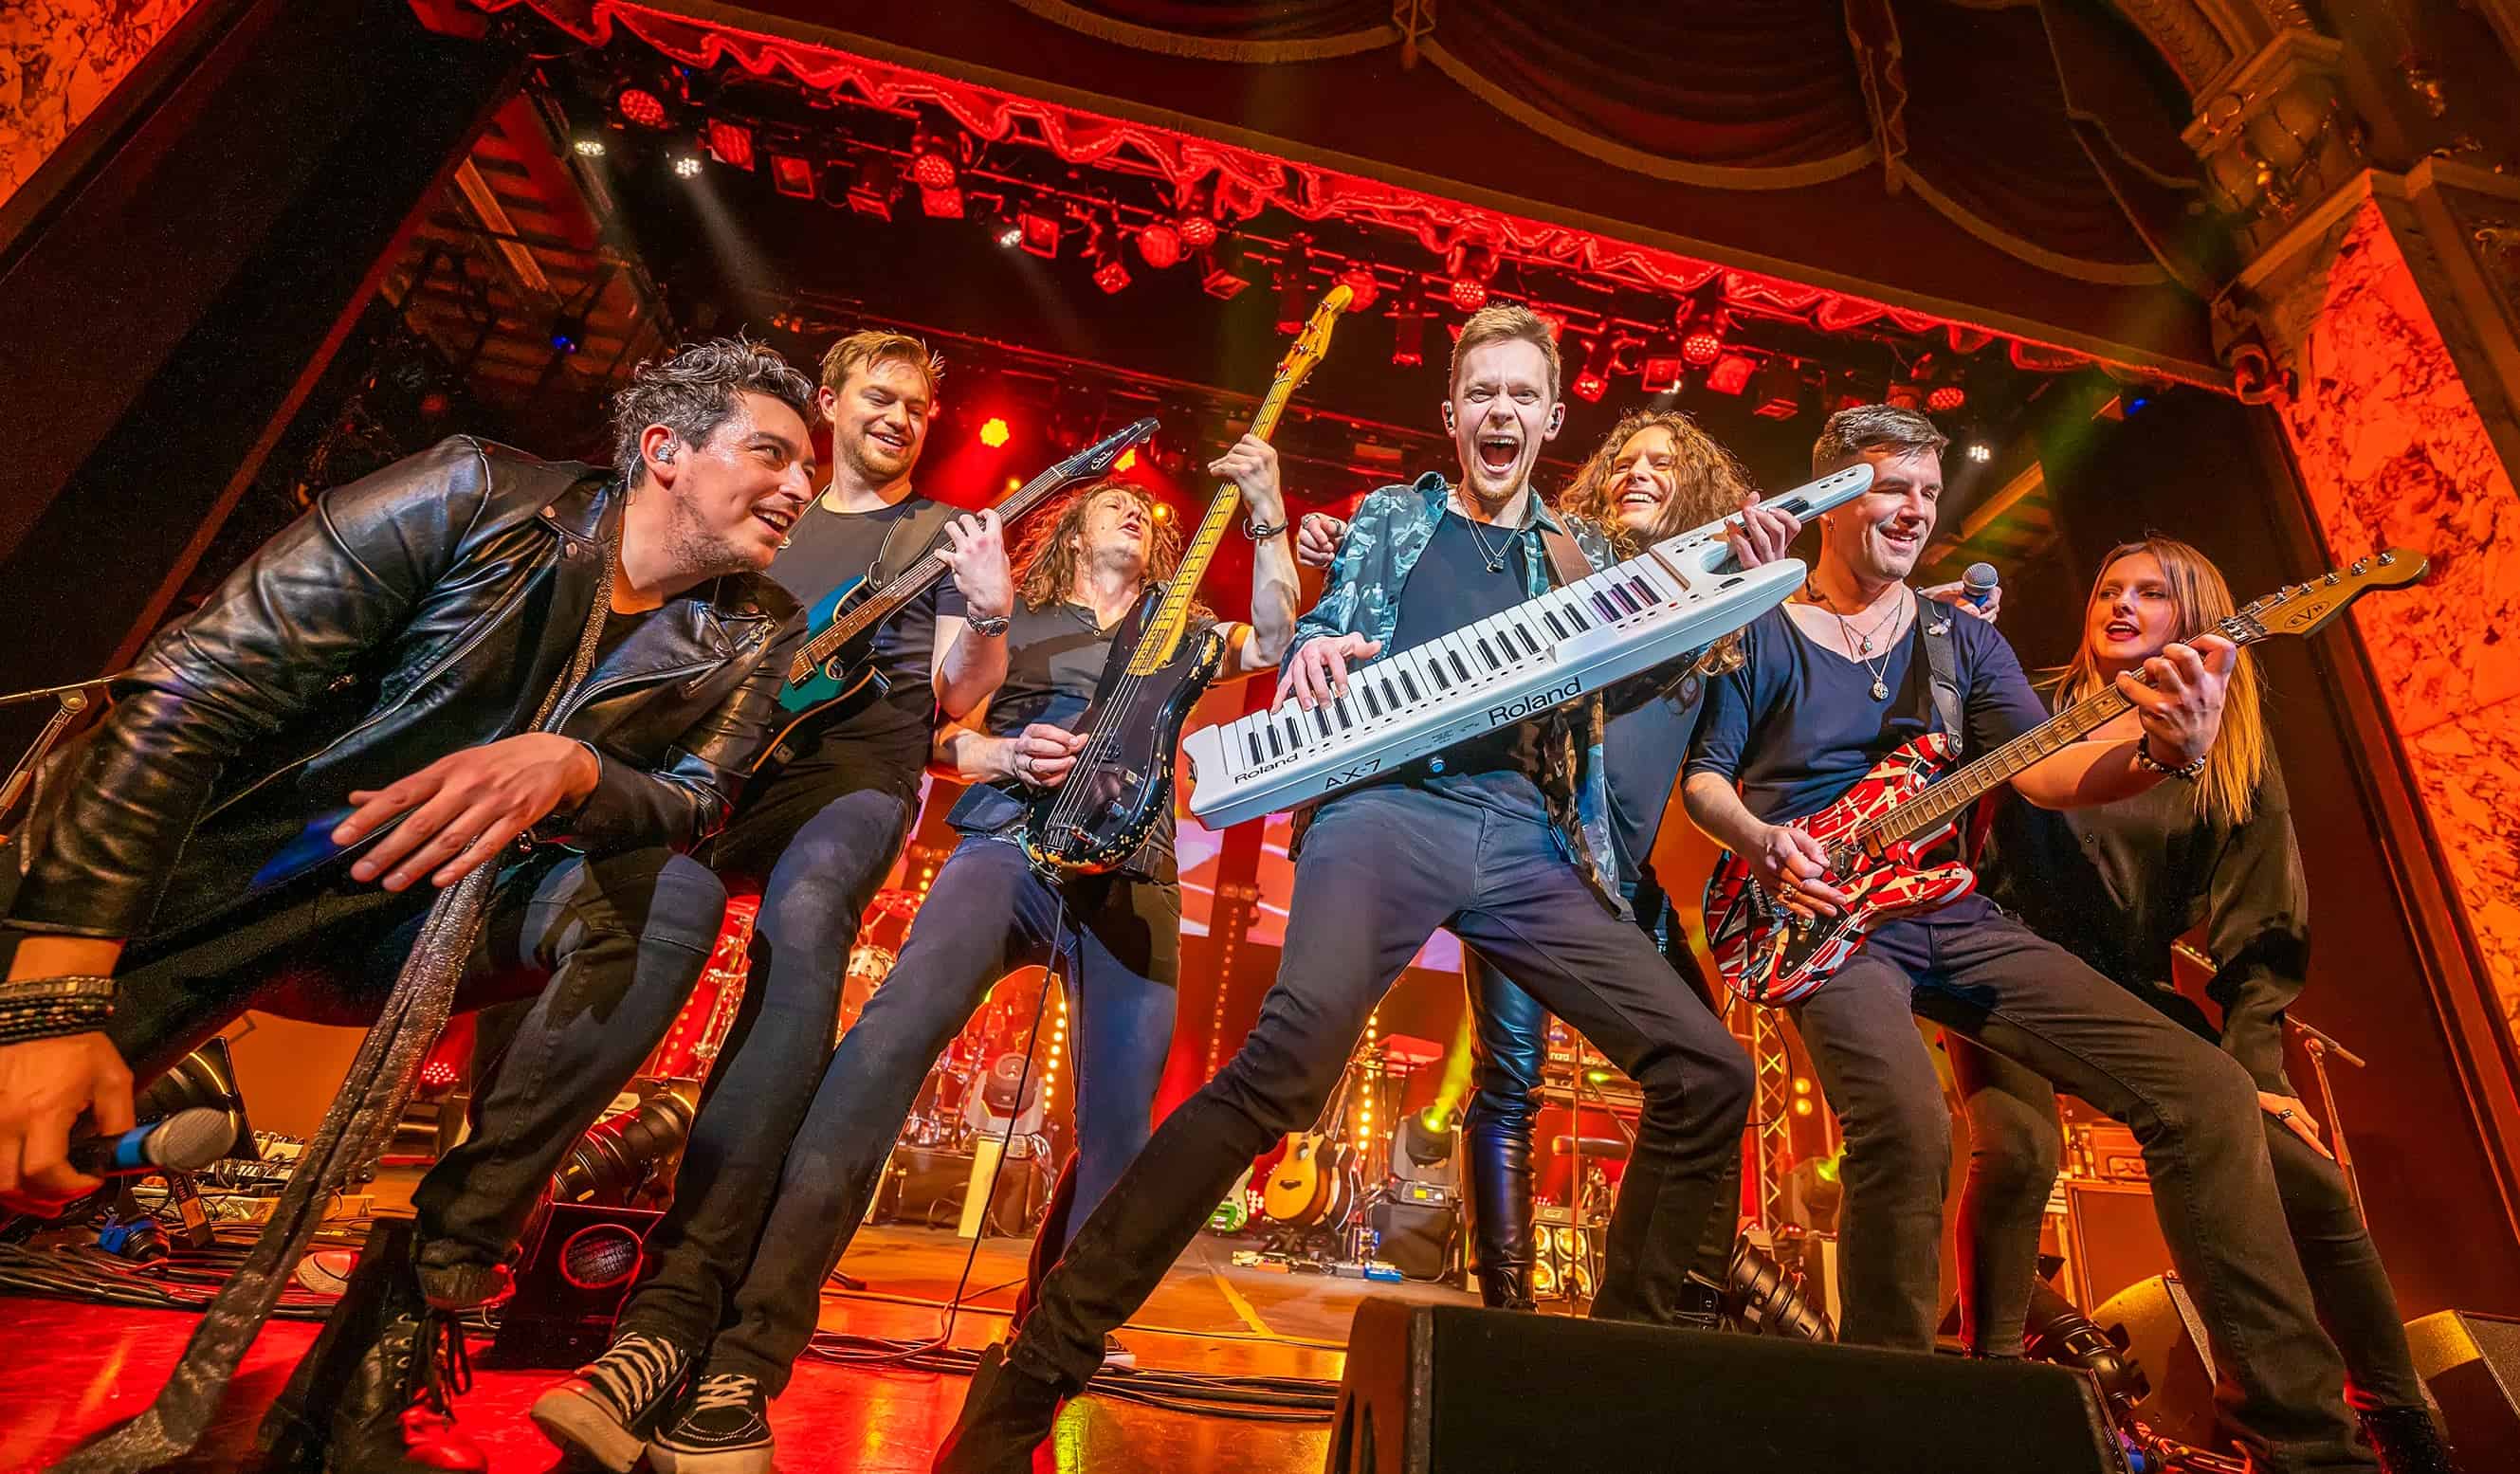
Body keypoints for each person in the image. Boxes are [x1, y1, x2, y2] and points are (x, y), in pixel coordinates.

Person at [933, 304, 1766, 1473]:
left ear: (1551, 420)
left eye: (1524, 396)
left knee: (1710, 1071)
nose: (1502, 412)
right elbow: (1319, 628)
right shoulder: (1392, 516)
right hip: (1384, 806)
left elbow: (1626, 680)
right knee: (1281, 1072)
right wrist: (1320, 646)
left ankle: (1615, 1379)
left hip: (1523, 836)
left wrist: (1742, 577)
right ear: (1452, 412)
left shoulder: (1577, 553)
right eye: (1484, 392)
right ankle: (1033, 1372)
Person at [0, 337, 819, 1470]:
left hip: (417, 927)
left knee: (672, 900)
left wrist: (572, 765)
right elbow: (190, 691)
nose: (801, 485)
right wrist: (53, 995)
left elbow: (691, 803)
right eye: (773, 453)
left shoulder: (755, 623)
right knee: (21, 1154)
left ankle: (423, 1287)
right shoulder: (472, 491)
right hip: (210, 883)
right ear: (666, 448)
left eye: (809, 470)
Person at [549, 453, 1296, 1474]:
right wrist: (1003, 754)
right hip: (1007, 846)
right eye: (1113, 502)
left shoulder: (1181, 630)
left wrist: (1267, 513)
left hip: (1135, 872)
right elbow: (946, 738)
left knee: (1124, 1136)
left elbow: (1279, 638)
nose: (1133, 510)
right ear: (1074, 530)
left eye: (1146, 510)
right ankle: (744, 1351)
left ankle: (1035, 1355)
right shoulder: (1019, 618)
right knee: (879, 1056)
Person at [1680, 404, 2375, 1473]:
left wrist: (2165, 752)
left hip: (1946, 908)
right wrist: (1764, 842)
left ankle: (2309, 1445)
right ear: (1829, 497)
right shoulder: (1762, 626)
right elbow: (1704, 779)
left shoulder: (1961, 639)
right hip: (1815, 914)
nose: (1915, 509)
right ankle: (1886, 1431)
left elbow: (2047, 771)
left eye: (1928, 490)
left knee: (2204, 1091)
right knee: (1909, 1128)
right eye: (1891, 486)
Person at [528, 329, 1017, 1471]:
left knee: (801, 935)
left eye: (918, 407)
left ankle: (671, 1318)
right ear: (829, 402)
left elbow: (956, 700)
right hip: (718, 772)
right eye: (879, 396)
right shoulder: (767, 509)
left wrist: (990, 614)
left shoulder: (935, 533)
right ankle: (494, 1232)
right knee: (599, 913)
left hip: (853, 778)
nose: (899, 417)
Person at [1294, 408, 1855, 1311]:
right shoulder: (1568, 568)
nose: (1637, 472)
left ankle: (1682, 1298)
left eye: (1662, 463)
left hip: (1627, 886)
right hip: (1537, 859)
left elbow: (1724, 754)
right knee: (1508, 1082)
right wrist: (1333, 539)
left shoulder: (1723, 619)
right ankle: (1509, 1307)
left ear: (1701, 490)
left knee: (1711, 1072)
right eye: (1623, 460)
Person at [1952, 537, 2454, 1471]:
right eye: (2109, 588)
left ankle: (2401, 1423)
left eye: (2150, 592)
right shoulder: (2030, 706)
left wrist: (2257, 1068)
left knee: (2309, 1176)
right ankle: (1988, 1390)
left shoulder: (2235, 755)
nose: (2120, 603)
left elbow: (2263, 923)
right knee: (2018, 1150)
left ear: (2199, 616)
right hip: (2000, 962)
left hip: (2123, 986)